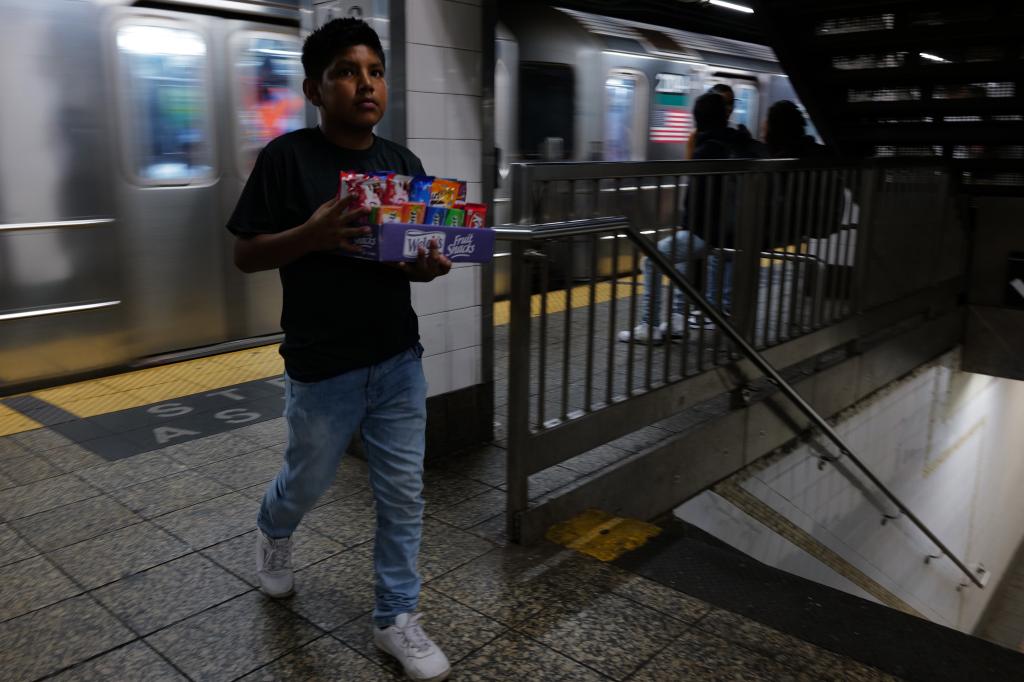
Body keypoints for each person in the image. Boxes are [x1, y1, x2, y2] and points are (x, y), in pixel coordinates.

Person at [226, 18, 452, 682]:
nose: (366, 85)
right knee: (307, 481)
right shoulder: (287, 160)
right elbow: (245, 255)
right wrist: (313, 233)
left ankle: (396, 619)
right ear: (315, 89)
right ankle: (273, 530)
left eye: (375, 72)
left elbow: (410, 258)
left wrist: (427, 265)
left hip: (396, 359)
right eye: (348, 72)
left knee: (404, 493)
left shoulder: (402, 166)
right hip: (323, 362)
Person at [619, 92, 756, 344]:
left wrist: (688, 226)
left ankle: (648, 326)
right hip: (735, 232)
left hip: (711, 233)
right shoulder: (738, 143)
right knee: (679, 257)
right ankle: (678, 320)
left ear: (698, 119)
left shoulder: (706, 149)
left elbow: (700, 200)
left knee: (653, 259)